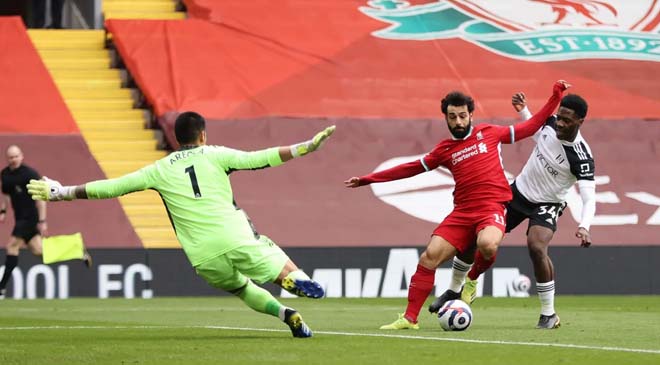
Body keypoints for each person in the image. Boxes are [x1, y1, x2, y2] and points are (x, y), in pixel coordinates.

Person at [27, 112, 336, 338]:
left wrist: (62, 192)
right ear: (203, 135)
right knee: (271, 254)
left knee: (242, 288)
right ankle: (293, 279)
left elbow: (113, 187)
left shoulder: (159, 169)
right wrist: (305, 147)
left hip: (202, 256)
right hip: (236, 236)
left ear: (177, 138)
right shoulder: (216, 155)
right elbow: (261, 158)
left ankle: (288, 315)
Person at [345, 80, 570, 330]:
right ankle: (409, 319)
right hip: (462, 212)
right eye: (453, 117)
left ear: (471, 115)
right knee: (429, 257)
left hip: (492, 208)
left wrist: (555, 97)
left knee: (487, 244)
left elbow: (530, 126)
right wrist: (368, 179)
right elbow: (409, 169)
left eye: (463, 115)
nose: (459, 121)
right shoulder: (444, 149)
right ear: (446, 119)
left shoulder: (490, 133)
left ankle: (471, 281)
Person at [429, 92, 595, 329]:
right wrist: (523, 111)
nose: (559, 123)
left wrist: (584, 226)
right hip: (517, 193)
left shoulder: (582, 157)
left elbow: (589, 197)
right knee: (472, 237)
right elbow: (537, 134)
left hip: (548, 203)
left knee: (537, 246)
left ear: (580, 122)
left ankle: (548, 314)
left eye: (567, 121)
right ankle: (455, 291)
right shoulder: (550, 124)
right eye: (559, 117)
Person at [0, 145, 91, 299]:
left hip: (30, 217)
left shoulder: (30, 174)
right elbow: (7, 196)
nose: (14, 159)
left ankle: (1, 288)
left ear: (22, 156)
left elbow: (42, 198)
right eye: (11, 157)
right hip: (20, 218)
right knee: (39, 251)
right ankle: (76, 247)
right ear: (6, 158)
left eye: (16, 156)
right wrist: (3, 211)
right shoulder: (5, 175)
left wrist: (42, 221)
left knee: (12, 246)